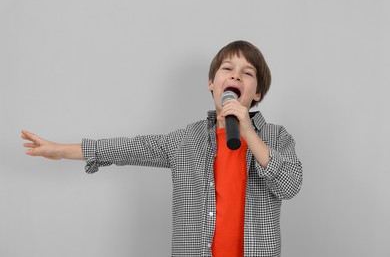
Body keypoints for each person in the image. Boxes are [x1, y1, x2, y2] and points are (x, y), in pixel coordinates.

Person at [22, 40, 303, 257]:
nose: (236, 76)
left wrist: (248, 133)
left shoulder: (276, 137)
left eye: (247, 72)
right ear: (211, 83)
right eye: (228, 69)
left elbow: (290, 185)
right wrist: (59, 150)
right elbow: (128, 148)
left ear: (258, 93)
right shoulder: (186, 140)